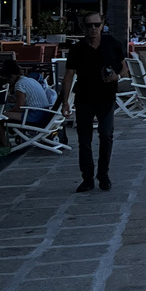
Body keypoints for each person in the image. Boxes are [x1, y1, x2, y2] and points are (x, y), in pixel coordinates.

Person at [60, 12, 127, 192]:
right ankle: (87, 177)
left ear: (102, 24)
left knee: (106, 136)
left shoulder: (111, 44)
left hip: (106, 97)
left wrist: (116, 76)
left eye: (97, 24)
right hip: (84, 98)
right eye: (90, 25)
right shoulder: (77, 49)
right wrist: (65, 102)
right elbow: (68, 75)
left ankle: (103, 174)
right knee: (84, 140)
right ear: (84, 27)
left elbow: (125, 68)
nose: (93, 29)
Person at [0, 61, 55, 126]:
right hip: (44, 113)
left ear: (11, 76)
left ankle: (1, 136)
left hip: (35, 115)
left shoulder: (19, 84)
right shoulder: (30, 80)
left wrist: (7, 111)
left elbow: (19, 108)